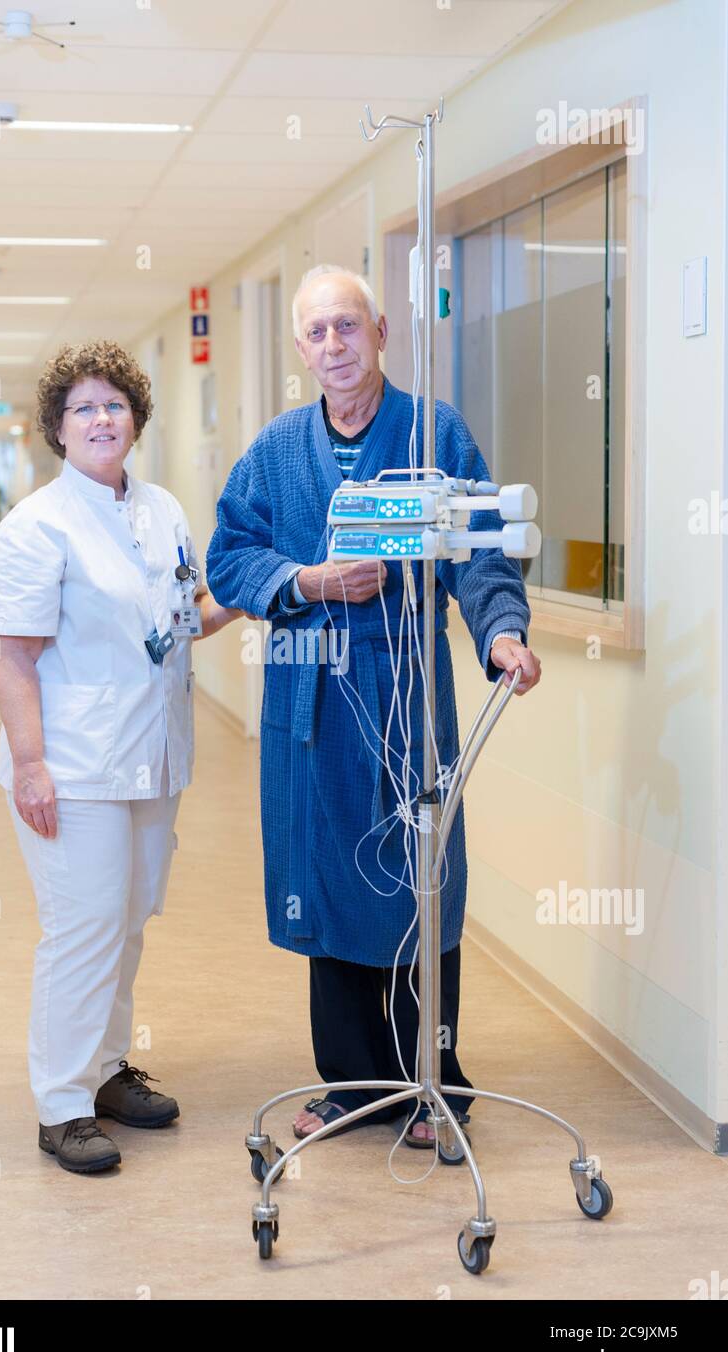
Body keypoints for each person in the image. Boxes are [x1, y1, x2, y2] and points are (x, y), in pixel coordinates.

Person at [205, 266, 541, 1147]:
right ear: (299, 348)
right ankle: (353, 1083)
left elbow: (483, 551)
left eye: (346, 327)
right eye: (315, 332)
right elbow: (227, 559)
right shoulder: (276, 451)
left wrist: (500, 632)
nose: (332, 346)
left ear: (381, 331)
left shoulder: (435, 432)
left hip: (405, 683)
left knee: (419, 877)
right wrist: (308, 579)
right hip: (310, 693)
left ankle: (433, 1084)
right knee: (326, 877)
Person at [0, 340, 241, 1175]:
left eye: (115, 404)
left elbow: (183, 616)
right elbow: (14, 656)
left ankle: (103, 1074)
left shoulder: (162, 508)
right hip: (73, 763)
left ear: (135, 416)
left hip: (152, 753)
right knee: (82, 927)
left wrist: (264, 586)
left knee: (127, 921)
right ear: (58, 430)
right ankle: (60, 1106)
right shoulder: (37, 526)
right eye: (83, 408)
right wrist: (30, 767)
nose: (102, 418)